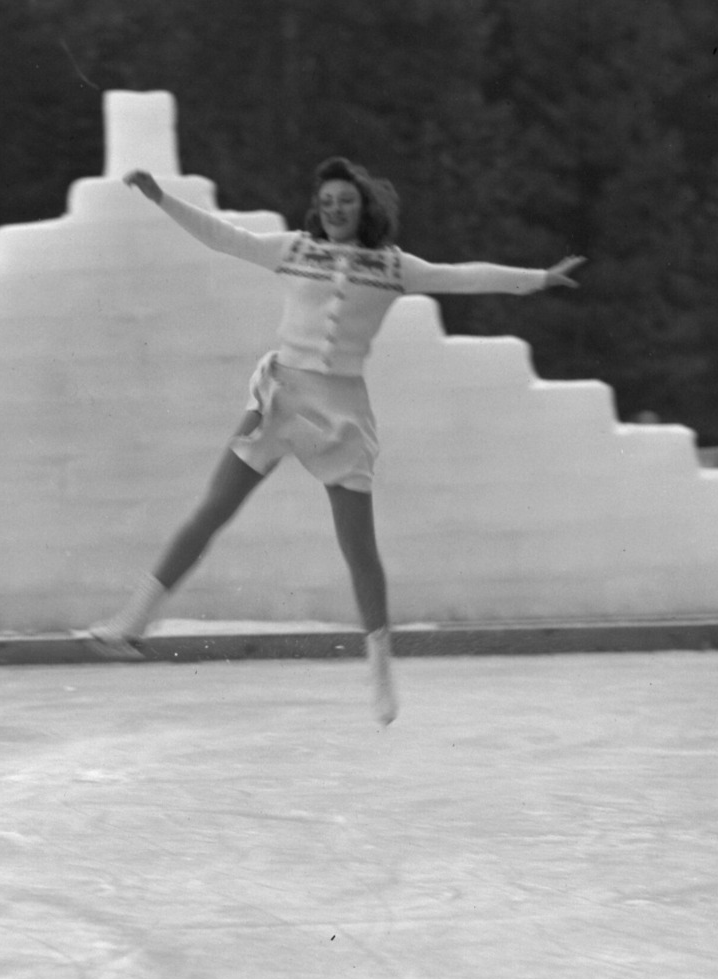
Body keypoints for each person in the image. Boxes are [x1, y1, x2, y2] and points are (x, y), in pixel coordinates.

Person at [85, 157, 584, 725]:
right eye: (326, 203)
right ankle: (132, 621)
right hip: (279, 399)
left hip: (341, 415)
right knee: (212, 509)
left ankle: (380, 669)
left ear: (363, 205)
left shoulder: (393, 267)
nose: (335, 210)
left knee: (358, 548)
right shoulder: (294, 250)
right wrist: (160, 198)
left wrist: (538, 279)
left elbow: (463, 275)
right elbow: (223, 236)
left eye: (345, 200)